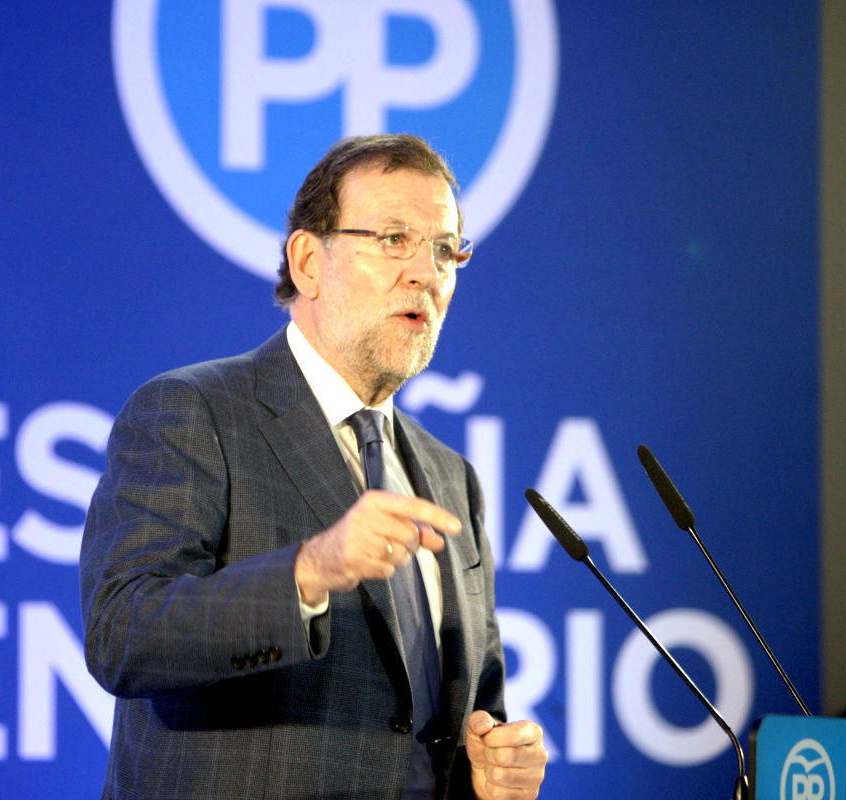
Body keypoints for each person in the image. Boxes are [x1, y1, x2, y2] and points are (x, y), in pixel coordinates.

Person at [80, 133, 547, 799]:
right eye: (393, 239)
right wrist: (308, 571)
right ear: (306, 261)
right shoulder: (195, 412)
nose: (425, 272)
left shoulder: (449, 477)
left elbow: (462, 712)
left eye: (445, 250)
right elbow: (122, 632)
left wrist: (493, 768)